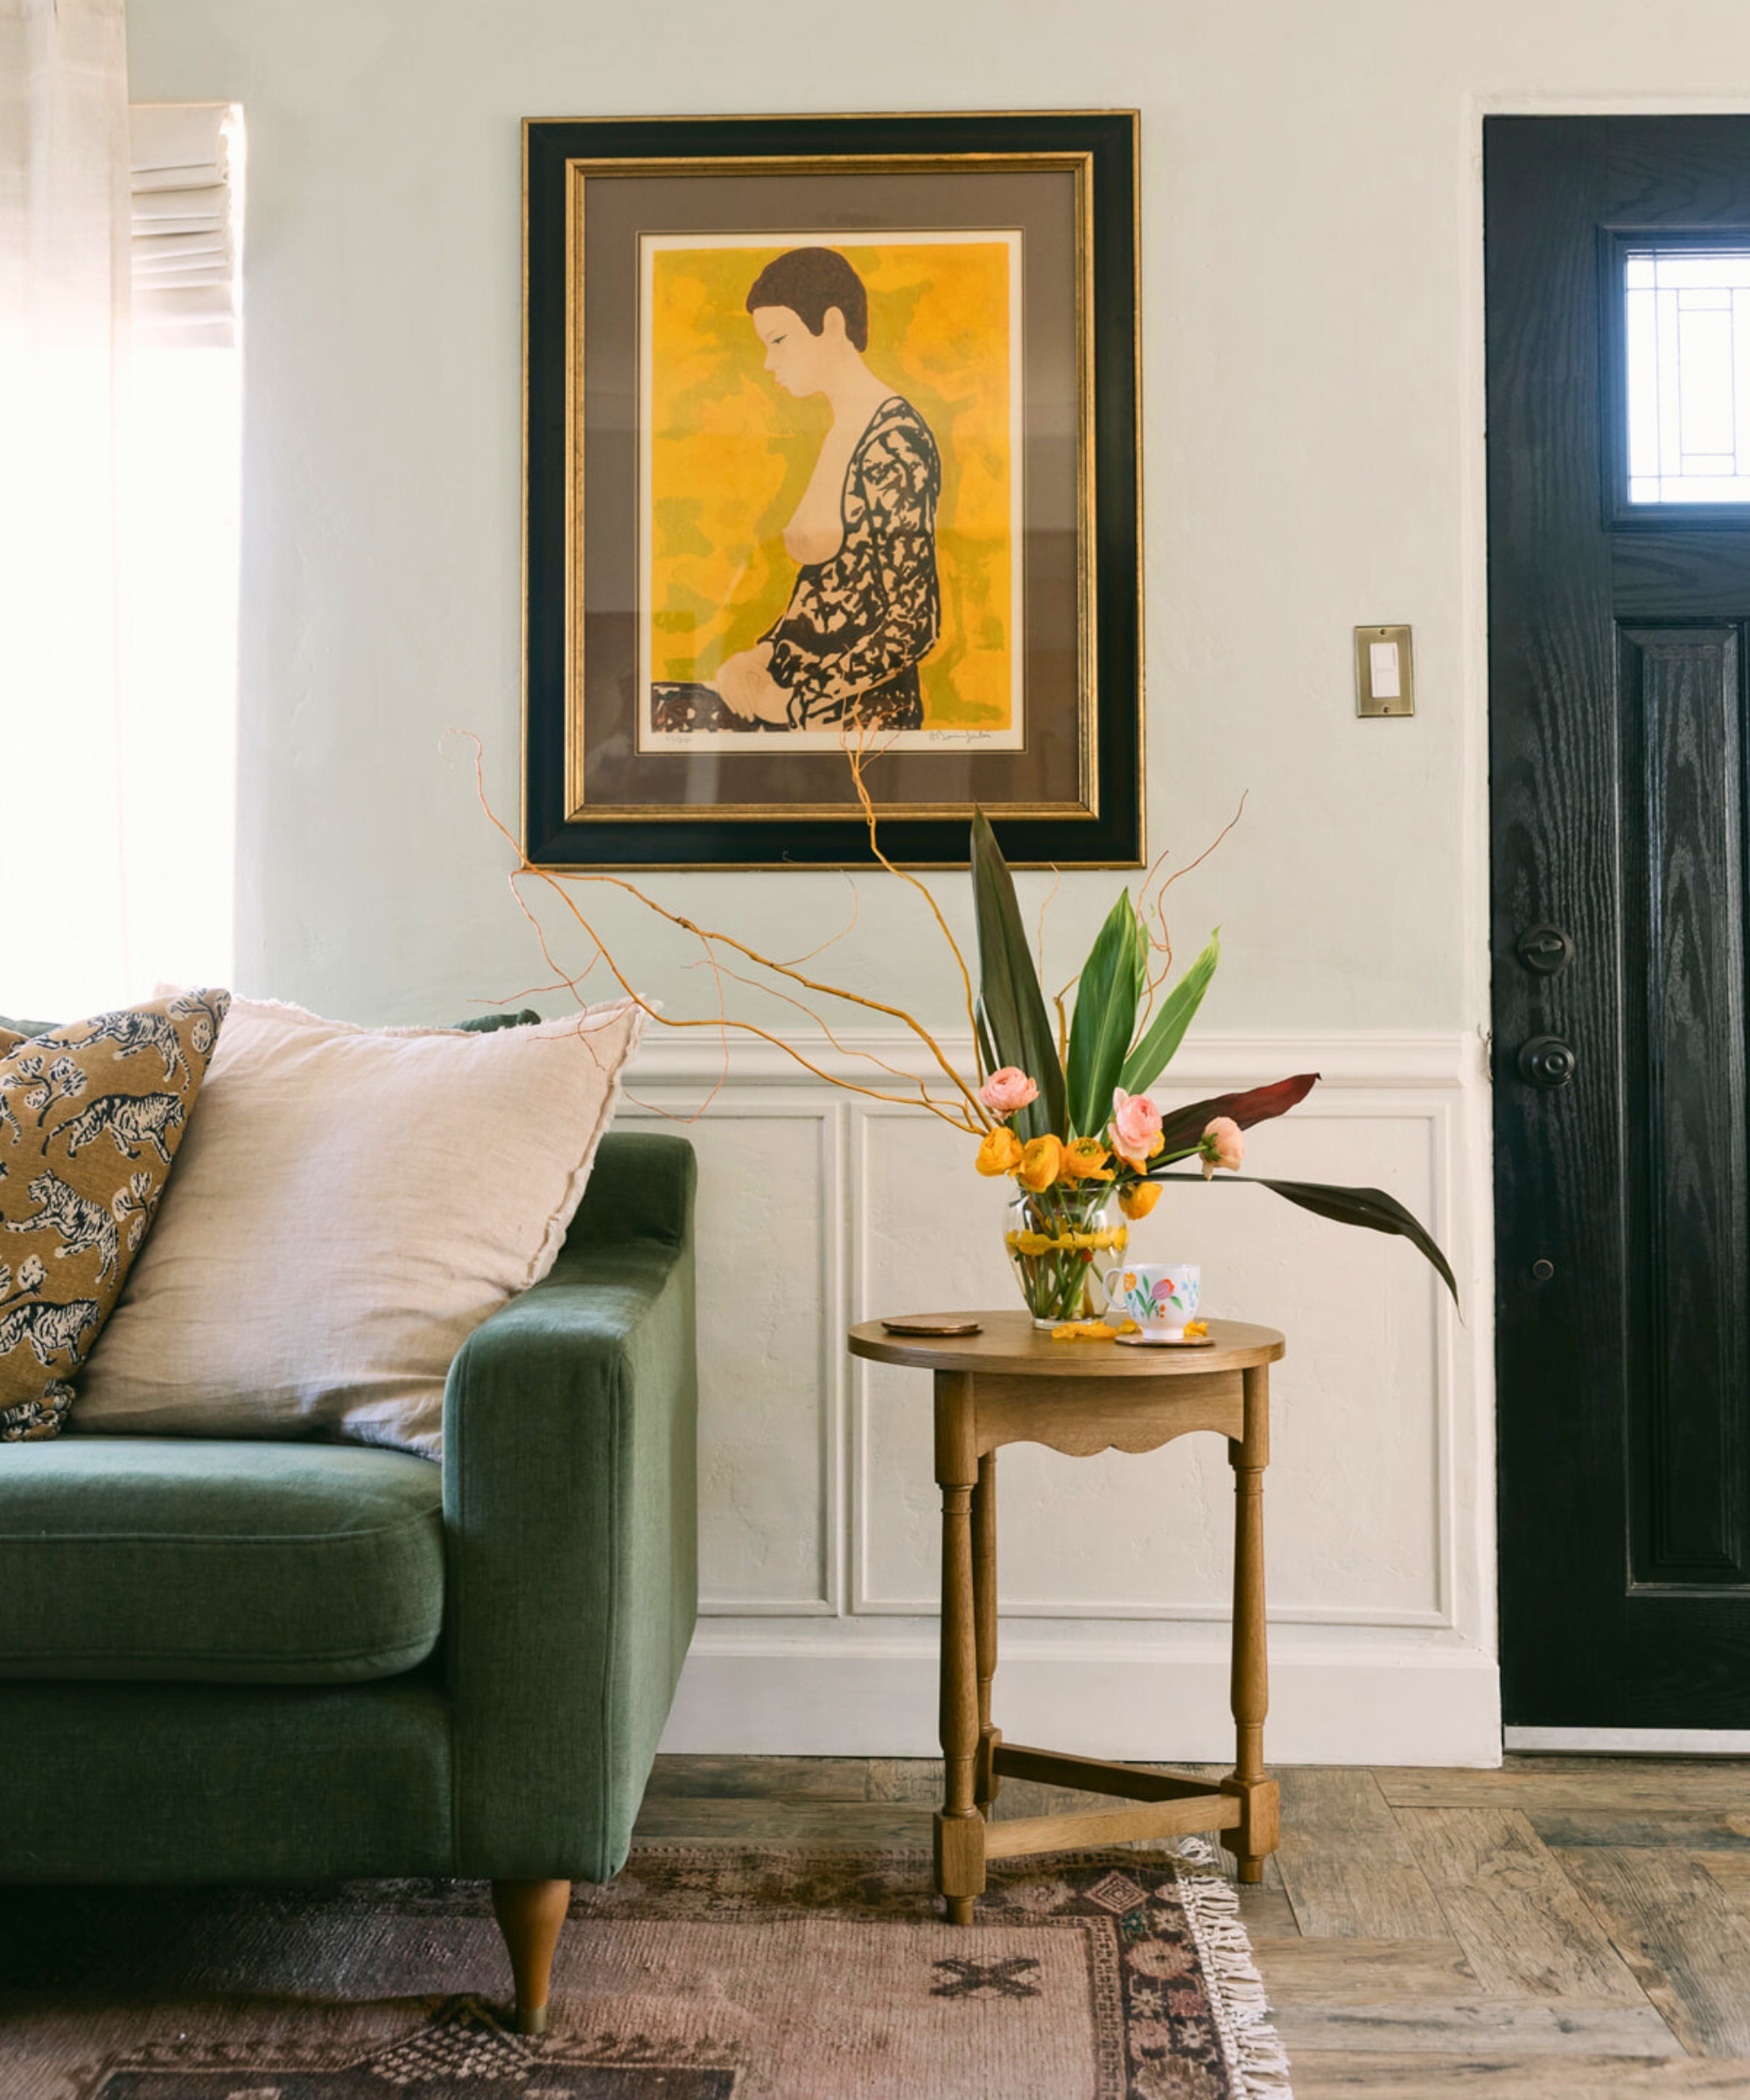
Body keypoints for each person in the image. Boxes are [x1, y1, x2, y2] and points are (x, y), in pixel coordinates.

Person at [710, 248, 942, 732]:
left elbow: (913, 622)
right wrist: (760, 655)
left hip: (857, 720)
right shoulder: (846, 428)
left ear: (832, 324)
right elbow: (829, 589)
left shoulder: (894, 443)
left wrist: (797, 701)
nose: (769, 362)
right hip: (792, 693)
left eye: (779, 340)